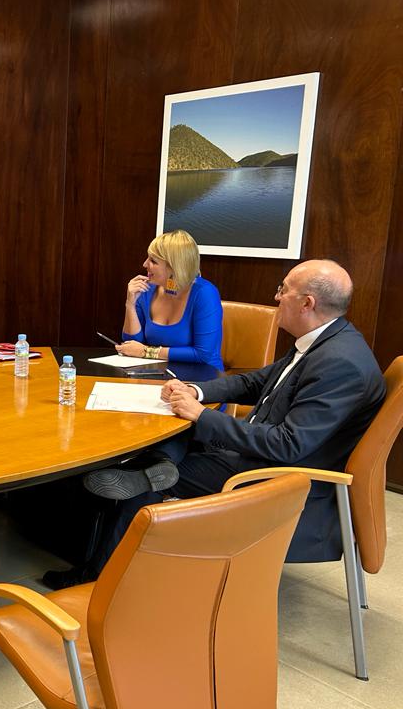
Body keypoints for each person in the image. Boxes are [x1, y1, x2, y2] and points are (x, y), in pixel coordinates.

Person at [44, 260, 385, 589]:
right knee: (167, 439)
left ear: (307, 303)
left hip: (275, 477)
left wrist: (202, 415)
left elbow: (288, 444)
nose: (277, 296)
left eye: (283, 289)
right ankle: (158, 468)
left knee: (149, 470)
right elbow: (255, 382)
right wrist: (196, 391)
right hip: (256, 452)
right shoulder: (324, 342)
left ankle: (98, 575)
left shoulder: (339, 363)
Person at [116, 229, 224, 370]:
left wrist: (147, 352)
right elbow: (132, 344)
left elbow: (203, 354)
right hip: (158, 374)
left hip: (202, 378)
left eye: (153, 261)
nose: (144, 264)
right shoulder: (147, 289)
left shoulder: (205, 293)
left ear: (174, 267)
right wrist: (130, 304)